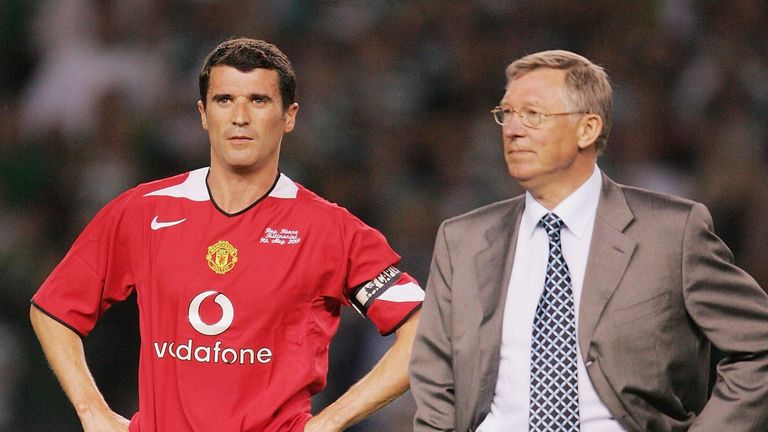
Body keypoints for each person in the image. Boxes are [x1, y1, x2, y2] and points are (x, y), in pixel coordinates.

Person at [30, 37, 424, 432]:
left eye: (258, 100)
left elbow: (424, 330)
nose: (239, 116)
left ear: (289, 116)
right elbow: (53, 309)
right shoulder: (145, 210)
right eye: (223, 100)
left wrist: (331, 422)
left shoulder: (330, 230)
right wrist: (91, 411)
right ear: (203, 114)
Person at [409, 50, 768, 431]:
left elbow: (758, 345)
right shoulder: (461, 240)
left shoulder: (670, 234)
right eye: (506, 113)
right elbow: (435, 379)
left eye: (533, 114)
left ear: (588, 129)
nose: (512, 129)